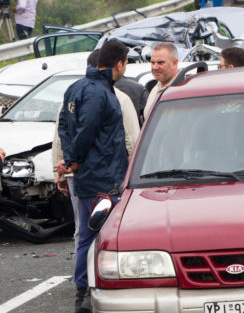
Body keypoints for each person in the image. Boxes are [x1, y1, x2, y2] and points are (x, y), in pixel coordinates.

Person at [57, 40, 130, 313]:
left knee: (87, 235)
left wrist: (71, 158)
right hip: (103, 177)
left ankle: (83, 293)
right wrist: (74, 159)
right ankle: (88, 292)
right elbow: (86, 129)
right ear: (118, 64)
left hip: (89, 177)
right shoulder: (101, 92)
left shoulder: (74, 87)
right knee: (100, 236)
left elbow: (64, 126)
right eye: (125, 64)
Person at [144, 42, 180, 120]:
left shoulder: (183, 89)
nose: (155, 67)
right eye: (152, 62)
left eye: (160, 63)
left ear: (175, 63)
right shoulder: (157, 87)